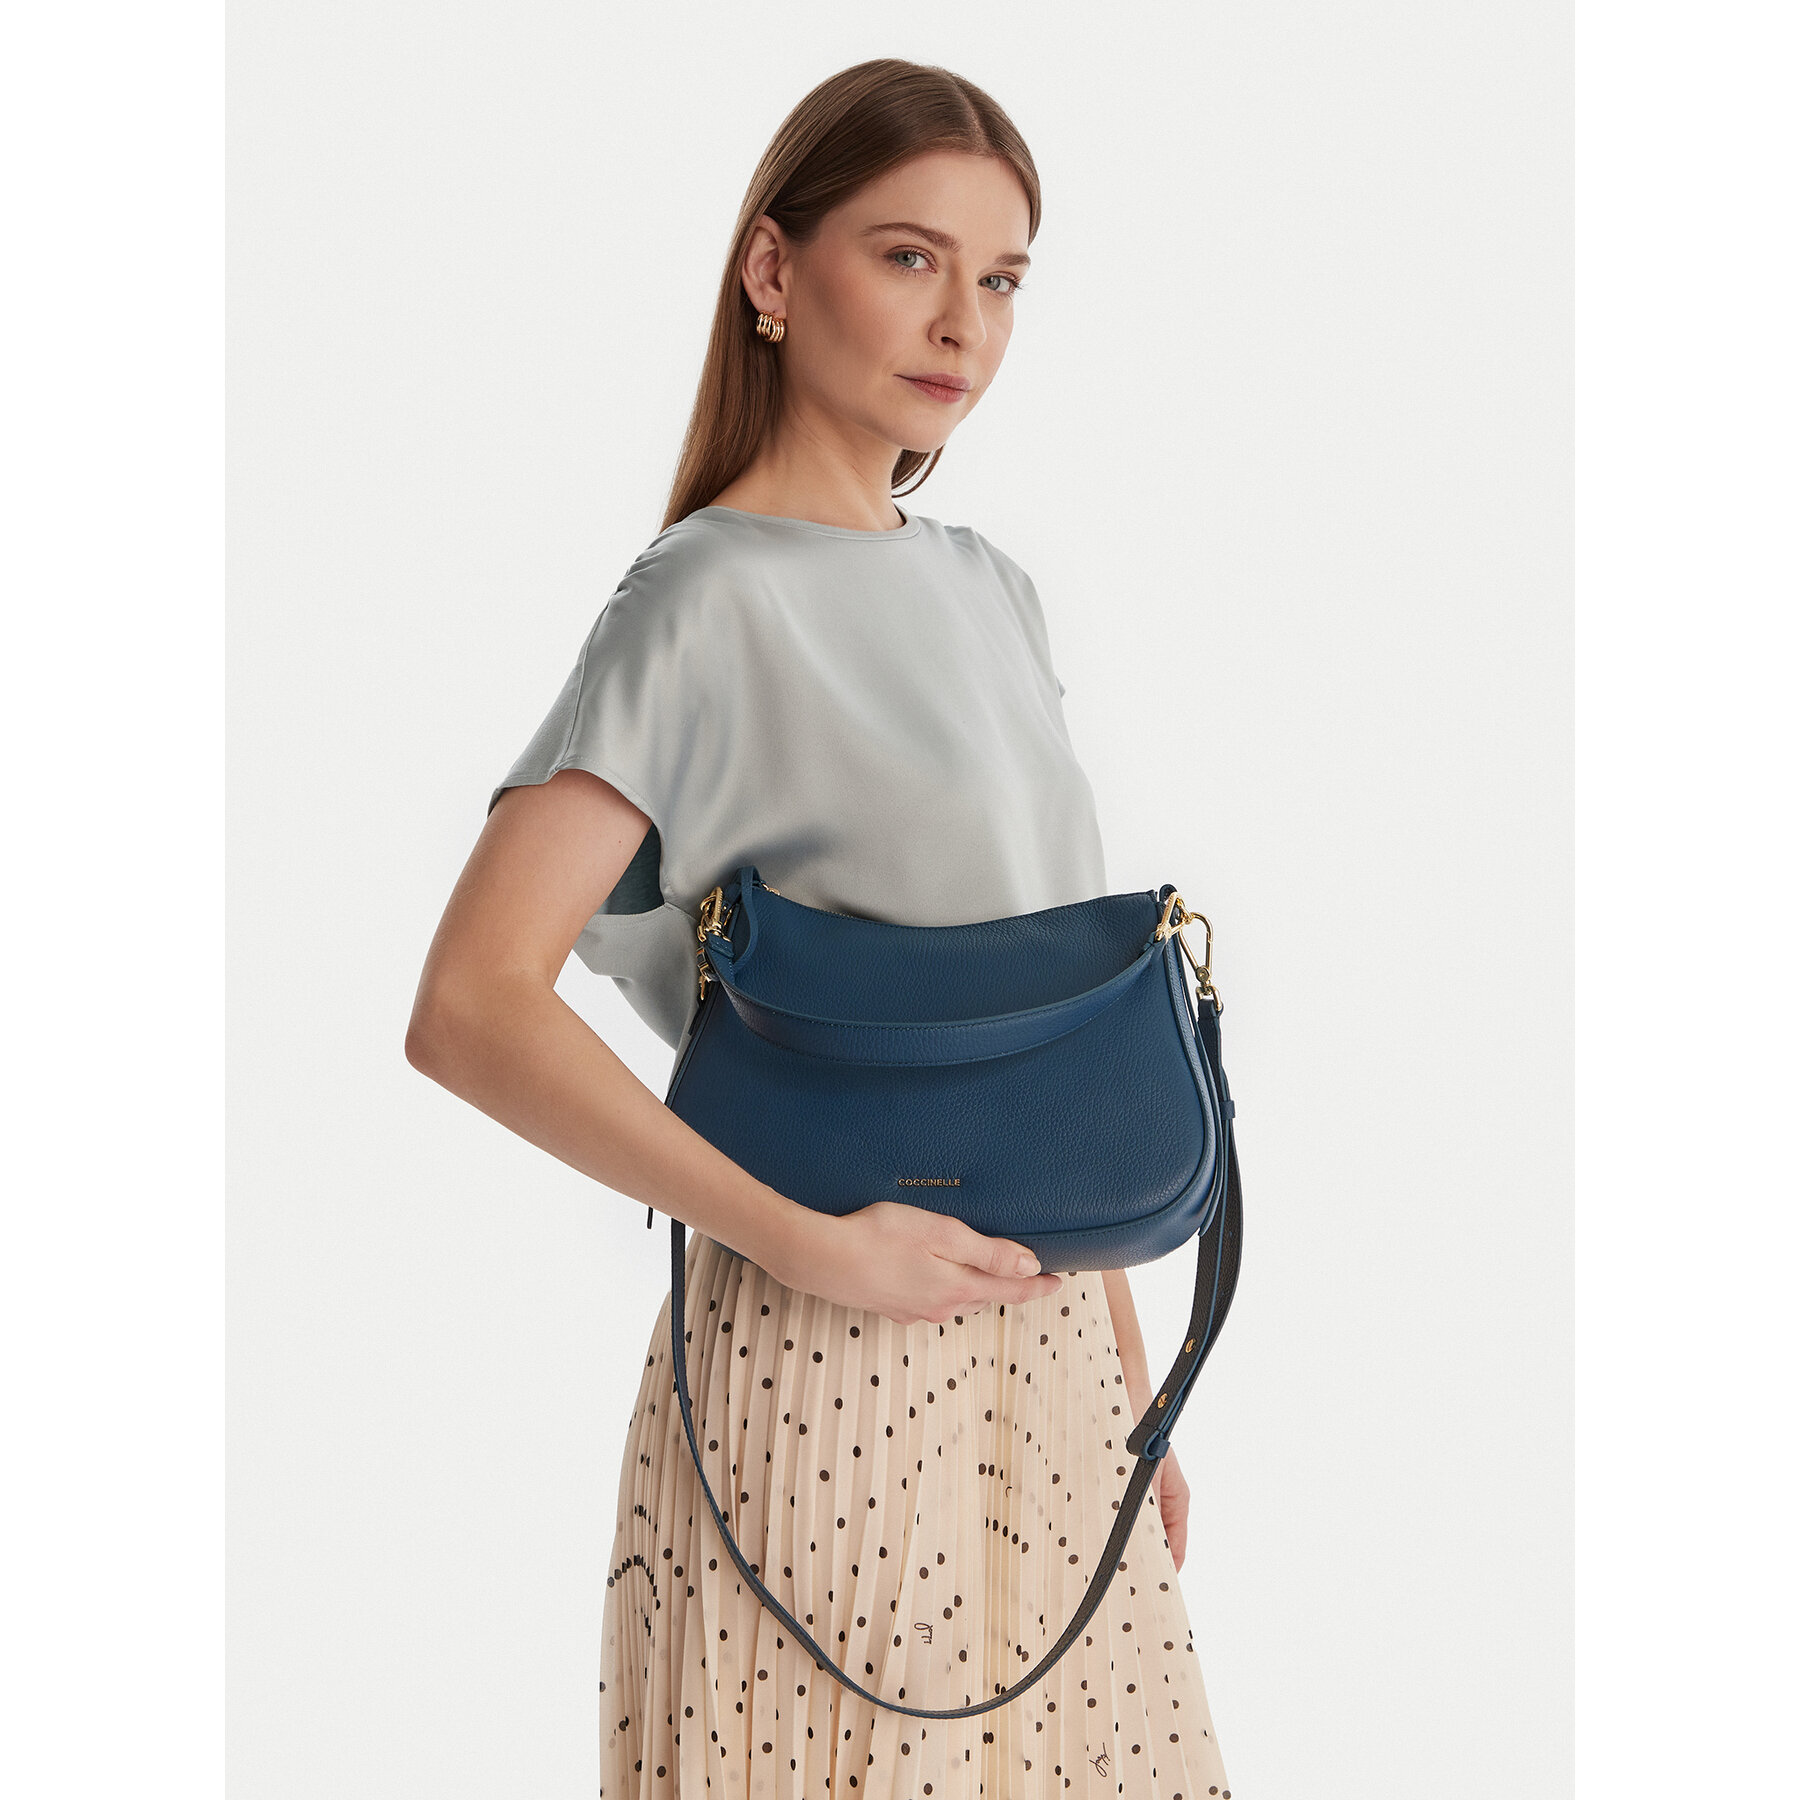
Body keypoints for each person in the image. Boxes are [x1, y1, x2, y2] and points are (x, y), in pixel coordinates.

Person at [406, 56, 1233, 1800]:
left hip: (1046, 1366)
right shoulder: (703, 600)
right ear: (773, 272)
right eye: (910, 256)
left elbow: (1041, 1015)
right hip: (826, 1366)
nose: (965, 324)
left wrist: (1126, 1377)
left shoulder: (991, 590)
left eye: (1001, 277)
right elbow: (473, 1002)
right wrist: (807, 1246)